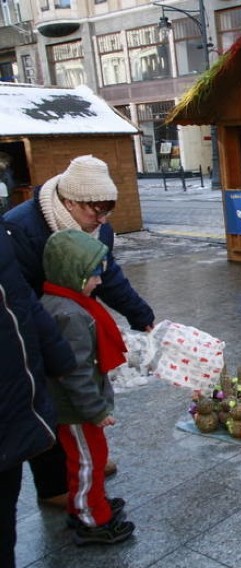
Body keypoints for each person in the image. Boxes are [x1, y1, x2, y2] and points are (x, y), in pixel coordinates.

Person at [3, 155, 154, 507]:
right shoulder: (20, 228)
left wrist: (140, 314)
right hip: (33, 323)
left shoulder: (99, 225)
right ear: (70, 201)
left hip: (67, 318)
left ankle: (86, 460)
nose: (100, 220)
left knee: (80, 392)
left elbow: (106, 273)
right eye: (94, 211)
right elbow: (18, 295)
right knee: (48, 400)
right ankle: (54, 484)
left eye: (106, 212)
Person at [40, 229, 135, 546]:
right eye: (93, 276)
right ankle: (92, 518)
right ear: (72, 275)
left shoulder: (64, 303)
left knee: (87, 458)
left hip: (76, 407)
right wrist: (96, 411)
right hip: (77, 410)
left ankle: (85, 505)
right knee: (88, 461)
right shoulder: (70, 314)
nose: (99, 282)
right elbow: (76, 372)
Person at [1, 218, 76, 567]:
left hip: (18, 401)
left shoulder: (4, 236)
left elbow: (23, 303)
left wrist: (58, 355)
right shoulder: (22, 227)